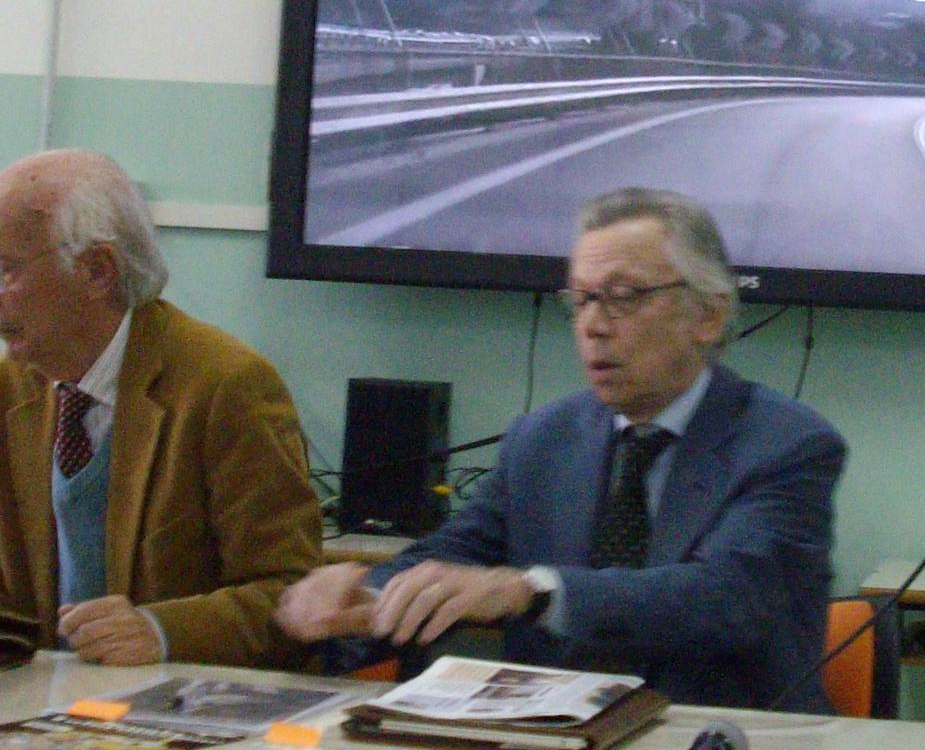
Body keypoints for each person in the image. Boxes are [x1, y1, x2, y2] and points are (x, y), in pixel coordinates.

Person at [277, 189, 843, 711]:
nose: (593, 326)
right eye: (581, 299)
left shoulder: (788, 445)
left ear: (709, 315)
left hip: (723, 749)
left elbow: (724, 600)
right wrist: (359, 599)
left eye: (622, 298)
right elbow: (456, 556)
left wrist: (532, 590)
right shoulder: (542, 440)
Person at [0, 150, 321, 667]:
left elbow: (292, 595)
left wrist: (161, 631)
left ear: (97, 271)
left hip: (183, 708)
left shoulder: (226, 386)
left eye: (1, 270)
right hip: (39, 709)